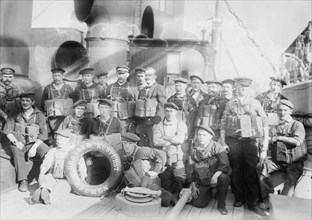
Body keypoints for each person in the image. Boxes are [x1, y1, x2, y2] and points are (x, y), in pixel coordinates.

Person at [219, 77, 269, 216]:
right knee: (236, 171)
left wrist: (264, 144)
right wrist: (223, 142)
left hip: (250, 142)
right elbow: (222, 124)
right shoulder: (230, 104)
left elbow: (265, 123)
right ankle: (239, 198)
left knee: (251, 172)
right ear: (237, 87)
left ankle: (252, 203)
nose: (243, 89)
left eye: (246, 87)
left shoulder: (255, 103)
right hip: (233, 142)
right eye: (241, 86)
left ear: (249, 88)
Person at [257, 100, 307, 198]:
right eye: (279, 110)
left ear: (290, 112)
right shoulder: (275, 127)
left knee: (290, 183)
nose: (282, 113)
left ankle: (282, 204)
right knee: (260, 168)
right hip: (278, 161)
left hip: (294, 162)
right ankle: (272, 194)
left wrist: (279, 138)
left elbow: (297, 141)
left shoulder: (296, 125)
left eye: (285, 110)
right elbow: (269, 144)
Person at [3, 92, 50, 192]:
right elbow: (8, 131)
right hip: (19, 142)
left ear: (33, 102)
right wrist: (16, 142)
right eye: (23, 100)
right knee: (16, 151)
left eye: (28, 100)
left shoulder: (39, 115)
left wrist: (34, 148)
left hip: (33, 143)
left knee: (46, 150)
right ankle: (23, 180)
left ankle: (46, 175)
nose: (25, 103)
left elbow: (43, 135)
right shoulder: (14, 113)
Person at [121, 132, 177, 206]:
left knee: (140, 167)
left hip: (155, 179)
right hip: (138, 183)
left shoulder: (141, 151)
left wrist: (155, 172)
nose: (127, 146)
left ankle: (170, 198)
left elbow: (161, 154)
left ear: (135, 144)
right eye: (125, 143)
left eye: (130, 144)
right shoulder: (121, 154)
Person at [32, 129, 87, 204]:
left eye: (61, 139)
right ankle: (43, 190)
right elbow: (46, 164)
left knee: (63, 187)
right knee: (47, 179)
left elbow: (81, 166)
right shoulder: (53, 151)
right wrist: (41, 175)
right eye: (57, 139)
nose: (58, 141)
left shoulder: (74, 151)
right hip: (54, 175)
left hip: (67, 178)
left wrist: (82, 179)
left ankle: (48, 196)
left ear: (67, 140)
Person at [186, 125, 231, 215]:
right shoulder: (194, 149)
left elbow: (224, 164)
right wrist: (193, 185)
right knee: (198, 204)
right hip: (203, 179)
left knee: (224, 178)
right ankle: (210, 192)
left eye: (204, 135)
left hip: (217, 177)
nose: (201, 137)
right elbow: (190, 169)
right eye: (199, 135)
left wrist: (215, 176)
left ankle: (221, 205)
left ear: (210, 136)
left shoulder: (217, 147)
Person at [153, 102, 188, 182]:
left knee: (180, 180)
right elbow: (156, 141)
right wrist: (170, 141)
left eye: (171, 111)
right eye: (167, 111)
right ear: (164, 112)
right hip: (163, 159)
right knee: (163, 181)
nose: (169, 113)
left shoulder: (181, 124)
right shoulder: (158, 125)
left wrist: (164, 137)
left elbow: (180, 139)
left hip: (178, 159)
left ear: (176, 112)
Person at [136, 67, 167, 147]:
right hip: (143, 122)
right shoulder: (143, 90)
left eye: (150, 75)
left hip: (154, 122)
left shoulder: (159, 88)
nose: (147, 77)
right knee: (143, 144)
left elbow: (163, 105)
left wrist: (158, 119)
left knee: (152, 144)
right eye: (146, 75)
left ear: (155, 76)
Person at [41, 68, 74, 136]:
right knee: (55, 135)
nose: (57, 78)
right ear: (52, 76)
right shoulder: (48, 89)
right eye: (55, 76)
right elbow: (42, 103)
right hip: (53, 118)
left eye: (59, 75)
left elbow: (74, 102)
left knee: (66, 134)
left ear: (62, 76)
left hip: (66, 116)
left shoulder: (68, 88)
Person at [106, 65, 137, 130]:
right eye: (119, 74)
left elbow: (136, 102)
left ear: (127, 75)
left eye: (123, 74)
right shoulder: (110, 87)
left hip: (126, 118)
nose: (121, 76)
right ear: (117, 75)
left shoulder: (133, 87)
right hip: (113, 116)